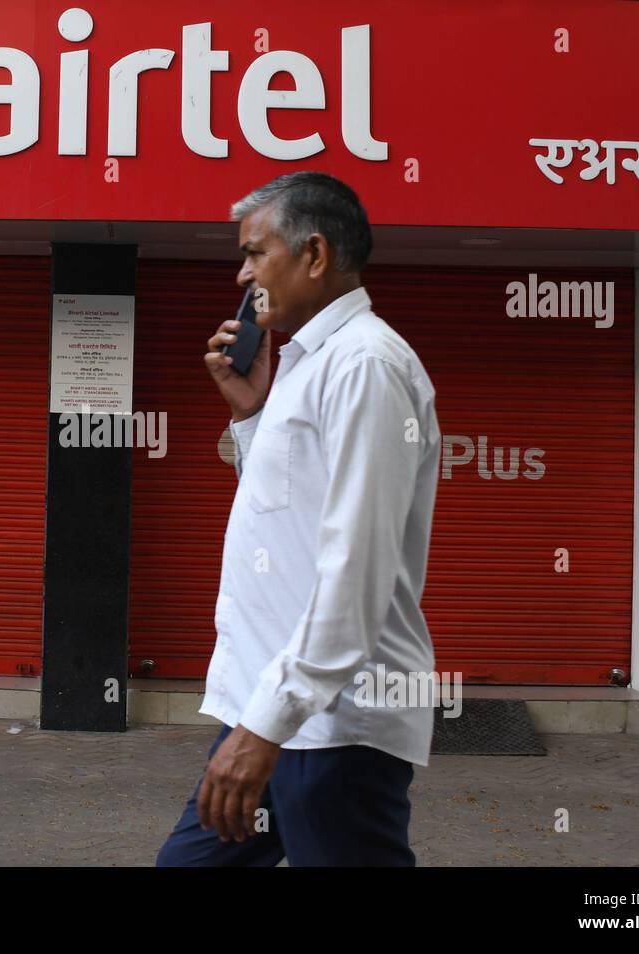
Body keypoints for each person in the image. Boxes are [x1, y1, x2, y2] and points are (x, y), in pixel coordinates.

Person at [155, 171, 440, 867]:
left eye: (256, 253)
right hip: (275, 712)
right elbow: (287, 511)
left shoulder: (366, 365)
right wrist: (250, 413)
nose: (242, 273)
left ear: (314, 255)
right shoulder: (302, 365)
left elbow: (358, 567)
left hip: (335, 727)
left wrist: (266, 727)